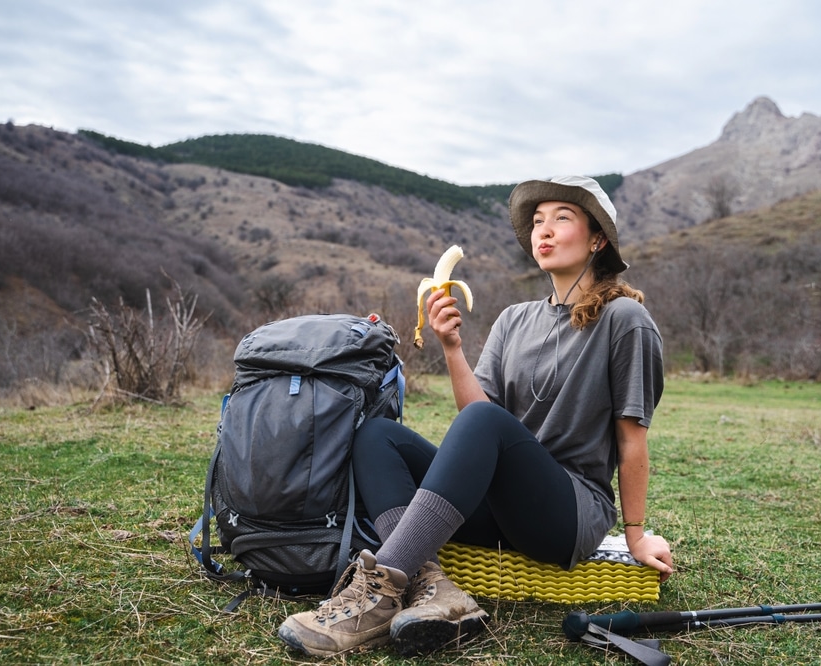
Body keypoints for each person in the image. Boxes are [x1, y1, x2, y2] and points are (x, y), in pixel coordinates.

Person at [278, 175, 673, 657]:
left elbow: (632, 439)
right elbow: (476, 417)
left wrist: (635, 537)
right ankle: (430, 585)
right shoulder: (514, 319)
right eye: (537, 222)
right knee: (377, 434)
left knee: (487, 422)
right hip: (498, 505)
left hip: (566, 512)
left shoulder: (624, 320)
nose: (543, 231)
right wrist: (451, 347)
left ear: (598, 239)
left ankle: (377, 594)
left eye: (561, 219)